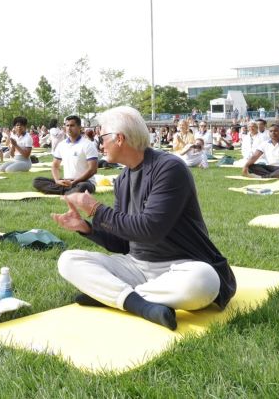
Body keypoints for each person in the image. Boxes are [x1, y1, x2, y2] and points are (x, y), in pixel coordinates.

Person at [52, 106, 236, 331]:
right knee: (69, 260)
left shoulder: (169, 168)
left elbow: (150, 230)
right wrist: (87, 228)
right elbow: (121, 242)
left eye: (102, 137)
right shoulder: (122, 179)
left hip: (180, 266)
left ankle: (115, 296)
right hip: (136, 267)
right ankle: (139, 304)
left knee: (204, 280)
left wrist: (96, 208)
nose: (100, 144)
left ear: (119, 138)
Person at [33, 115, 99, 194]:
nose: (69, 128)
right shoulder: (62, 145)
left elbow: (93, 170)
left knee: (83, 187)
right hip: (67, 181)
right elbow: (55, 166)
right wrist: (57, 180)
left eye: (72, 125)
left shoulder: (88, 144)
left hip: (84, 181)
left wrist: (74, 182)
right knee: (37, 181)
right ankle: (68, 192)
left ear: (79, 127)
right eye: (67, 125)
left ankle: (66, 191)